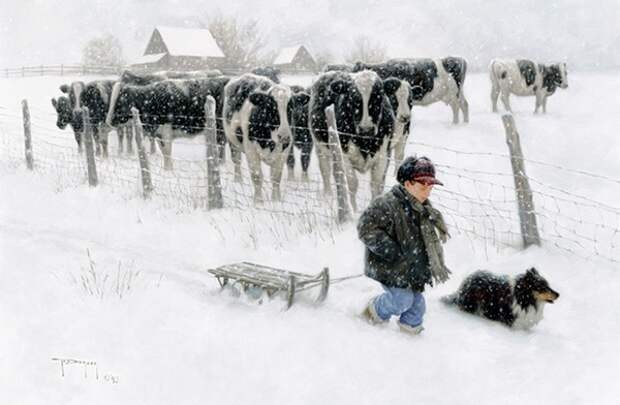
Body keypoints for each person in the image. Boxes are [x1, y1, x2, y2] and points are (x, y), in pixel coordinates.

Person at [358, 156, 451, 335]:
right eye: (422, 185)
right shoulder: (387, 205)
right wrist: (392, 251)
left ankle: (410, 335)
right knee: (401, 300)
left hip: (410, 269)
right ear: (407, 184)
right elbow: (366, 228)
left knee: (418, 306)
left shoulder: (423, 210)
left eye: (430, 185)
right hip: (390, 266)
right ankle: (373, 312)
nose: (428, 190)